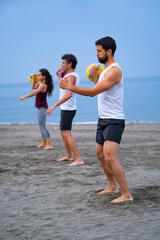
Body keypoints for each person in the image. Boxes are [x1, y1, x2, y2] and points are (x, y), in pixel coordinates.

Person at [59, 37, 133, 203]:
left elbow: (92, 93)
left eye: (99, 51)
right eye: (96, 51)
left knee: (110, 157)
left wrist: (69, 87)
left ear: (109, 51)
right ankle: (112, 186)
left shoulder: (115, 71)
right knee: (100, 154)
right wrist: (94, 77)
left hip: (114, 120)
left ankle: (126, 194)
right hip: (103, 118)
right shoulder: (104, 70)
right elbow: (98, 90)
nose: (97, 54)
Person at [46, 54, 84, 166]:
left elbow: (68, 94)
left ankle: (79, 159)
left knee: (67, 133)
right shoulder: (68, 75)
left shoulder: (71, 76)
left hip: (68, 108)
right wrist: (59, 75)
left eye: (63, 63)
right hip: (65, 108)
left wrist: (54, 106)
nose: (61, 64)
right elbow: (62, 86)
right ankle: (68, 155)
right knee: (63, 132)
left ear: (69, 64)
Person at [19, 68, 54, 150]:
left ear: (44, 76)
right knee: (41, 125)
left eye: (39, 75)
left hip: (42, 107)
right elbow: (33, 87)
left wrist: (24, 97)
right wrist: (34, 78)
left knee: (42, 126)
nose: (38, 76)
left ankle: (49, 144)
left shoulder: (43, 85)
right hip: (39, 107)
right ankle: (43, 143)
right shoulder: (40, 83)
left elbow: (34, 92)